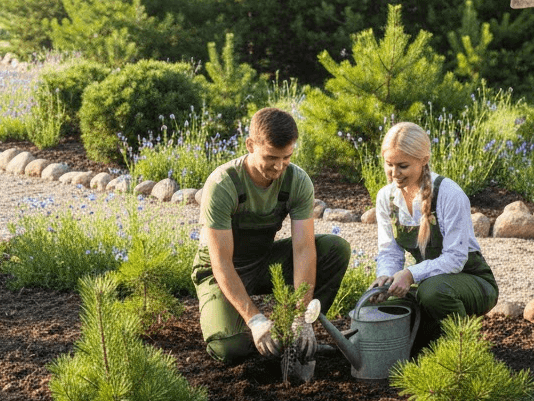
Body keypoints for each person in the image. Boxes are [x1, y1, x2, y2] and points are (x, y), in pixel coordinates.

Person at [191, 107, 351, 366]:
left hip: (263, 262)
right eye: (271, 157)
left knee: (334, 249)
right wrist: (255, 320)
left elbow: (303, 251)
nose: (279, 166)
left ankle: (295, 332)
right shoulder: (223, 184)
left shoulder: (297, 181)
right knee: (229, 348)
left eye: (286, 157)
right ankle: (261, 333)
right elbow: (221, 263)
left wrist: (300, 315)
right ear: (250, 145)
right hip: (219, 270)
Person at [370, 121, 498, 350]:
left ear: (424, 160)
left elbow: (456, 259)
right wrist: (385, 277)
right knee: (380, 304)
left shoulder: (449, 194)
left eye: (403, 166)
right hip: (430, 281)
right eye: (389, 165)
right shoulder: (386, 198)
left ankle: (460, 351)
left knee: (433, 292)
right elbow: (390, 250)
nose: (394, 174)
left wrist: (410, 274)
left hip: (472, 282)